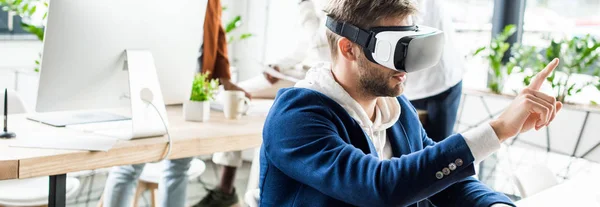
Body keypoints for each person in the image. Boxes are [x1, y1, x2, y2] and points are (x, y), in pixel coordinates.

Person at [258, 0, 563, 206]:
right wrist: (496, 130)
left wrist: (494, 204)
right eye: (394, 49)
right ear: (348, 48)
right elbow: (378, 187)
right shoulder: (297, 117)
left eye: (411, 45)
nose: (405, 67)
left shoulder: (397, 109)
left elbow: (444, 179)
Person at [101, 0, 249, 206]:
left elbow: (217, 31)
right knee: (130, 165)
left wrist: (224, 77)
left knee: (179, 166)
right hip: (149, 81)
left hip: (192, 87)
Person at [404, 0, 465, 141]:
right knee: (410, 146)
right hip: (410, 86)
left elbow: (412, 16)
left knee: (438, 149)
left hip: (441, 83)